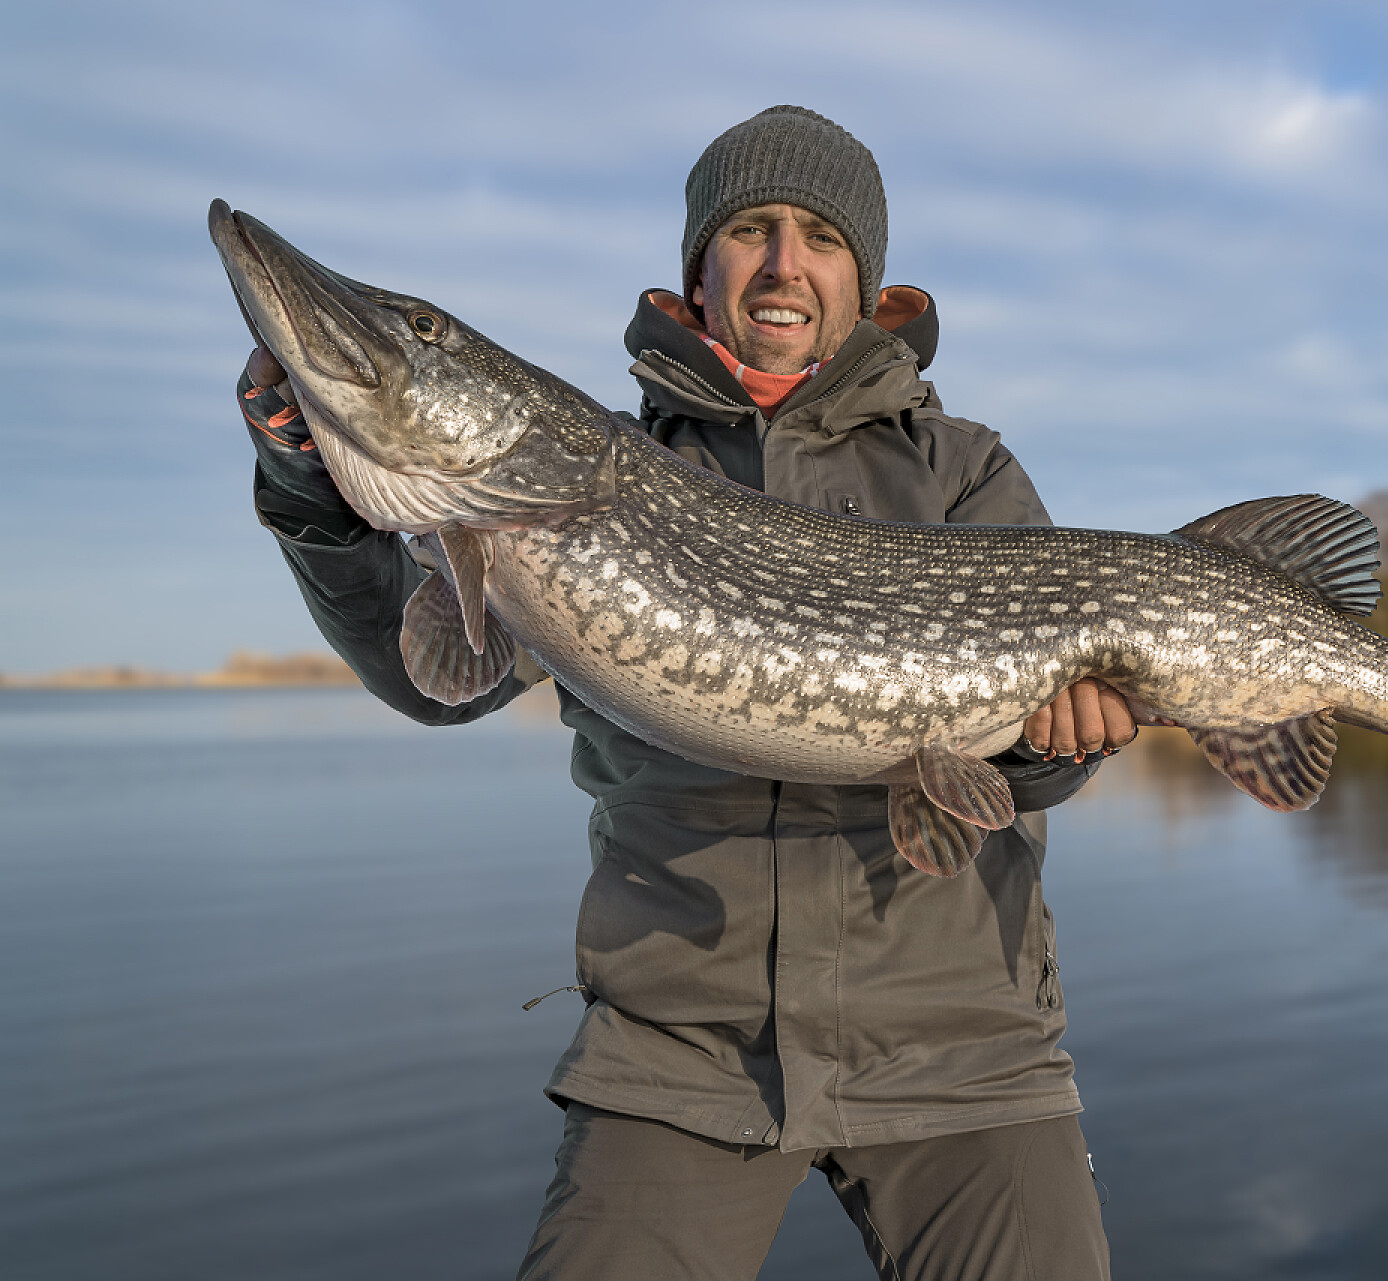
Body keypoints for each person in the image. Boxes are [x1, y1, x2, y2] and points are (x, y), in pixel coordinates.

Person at [238, 105, 1132, 1280]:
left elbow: (1025, 757)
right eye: (750, 230)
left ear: (864, 278)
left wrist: (1052, 749)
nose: (782, 262)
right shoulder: (590, 474)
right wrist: (309, 490)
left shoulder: (962, 469)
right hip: (675, 1047)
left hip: (957, 1039)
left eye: (818, 235)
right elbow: (435, 683)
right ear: (697, 276)